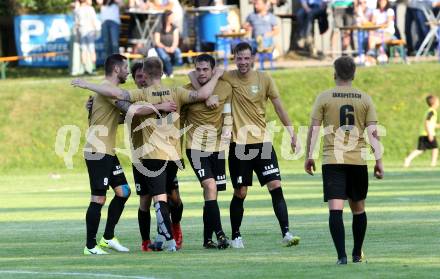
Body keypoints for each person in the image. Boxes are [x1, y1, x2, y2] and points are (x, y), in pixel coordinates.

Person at [73, 57, 223, 252]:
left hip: (146, 155)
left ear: (146, 74)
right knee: (139, 197)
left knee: (143, 195)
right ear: (161, 72)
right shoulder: (173, 91)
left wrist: (87, 85)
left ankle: (128, 237)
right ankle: (96, 244)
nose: (128, 73)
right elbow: (202, 93)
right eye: (127, 69)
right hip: (124, 153)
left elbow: (124, 105)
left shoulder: (139, 94)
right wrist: (217, 75)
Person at [304, 56, 384, 264]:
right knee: (359, 210)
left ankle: (341, 256)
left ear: (334, 73)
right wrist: (378, 160)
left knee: (335, 209)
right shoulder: (364, 98)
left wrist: (309, 156)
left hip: (333, 160)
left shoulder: (324, 97)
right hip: (357, 160)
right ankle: (357, 253)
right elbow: (373, 133)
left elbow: (314, 129)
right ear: (354, 74)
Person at [221, 42, 300, 248]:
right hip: (239, 144)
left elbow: (280, 108)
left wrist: (292, 133)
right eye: (239, 58)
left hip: (263, 143)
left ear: (253, 58)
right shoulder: (227, 77)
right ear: (234, 58)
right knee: (241, 192)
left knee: (275, 185)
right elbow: (199, 75)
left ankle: (286, 233)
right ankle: (236, 236)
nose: (243, 62)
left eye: (247, 58)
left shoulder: (264, 78)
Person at [81, 54, 131, 255]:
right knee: (98, 199)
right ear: (117, 69)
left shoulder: (104, 92)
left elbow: (107, 118)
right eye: (126, 67)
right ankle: (90, 246)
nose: (128, 71)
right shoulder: (107, 89)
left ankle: (108, 238)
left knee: (124, 191)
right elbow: (124, 101)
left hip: (107, 150)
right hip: (97, 152)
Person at [185, 54, 233, 249]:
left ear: (213, 70)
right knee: (210, 187)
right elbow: (178, 121)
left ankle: (207, 240)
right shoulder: (188, 92)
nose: (201, 72)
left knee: (211, 194)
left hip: (218, 148)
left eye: (206, 69)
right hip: (195, 148)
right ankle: (220, 234)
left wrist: (228, 129)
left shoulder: (225, 88)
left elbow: (227, 112)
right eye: (198, 69)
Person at [404, 95, 439, 167]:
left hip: (425, 133)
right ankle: (433, 163)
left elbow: (432, 124)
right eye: (438, 101)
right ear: (434, 103)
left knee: (420, 149)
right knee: (435, 148)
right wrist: (429, 134)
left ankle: (408, 159)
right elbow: (427, 122)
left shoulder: (430, 111)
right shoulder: (431, 112)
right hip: (428, 133)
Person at [154, 10, 183, 78]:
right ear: (166, 18)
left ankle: (169, 70)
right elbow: (157, 42)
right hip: (160, 47)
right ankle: (170, 73)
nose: (172, 18)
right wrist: (165, 48)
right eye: (171, 17)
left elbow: (176, 41)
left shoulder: (174, 28)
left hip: (172, 47)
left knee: (178, 53)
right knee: (165, 57)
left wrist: (173, 47)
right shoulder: (159, 27)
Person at [74, 0, 100, 75]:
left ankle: (84, 68)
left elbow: (77, 23)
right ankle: (93, 68)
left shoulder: (78, 10)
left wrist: (77, 33)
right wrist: (96, 30)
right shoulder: (90, 8)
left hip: (83, 31)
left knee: (84, 50)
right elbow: (94, 21)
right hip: (89, 30)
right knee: (91, 49)